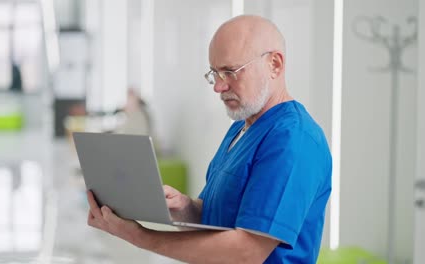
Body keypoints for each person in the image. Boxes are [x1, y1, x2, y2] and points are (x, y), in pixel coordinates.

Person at [86, 15, 332, 263]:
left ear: (275, 65)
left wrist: (140, 236)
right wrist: (185, 208)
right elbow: (223, 216)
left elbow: (246, 252)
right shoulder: (241, 127)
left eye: (230, 72)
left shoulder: (293, 140)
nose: (218, 87)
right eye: (215, 73)